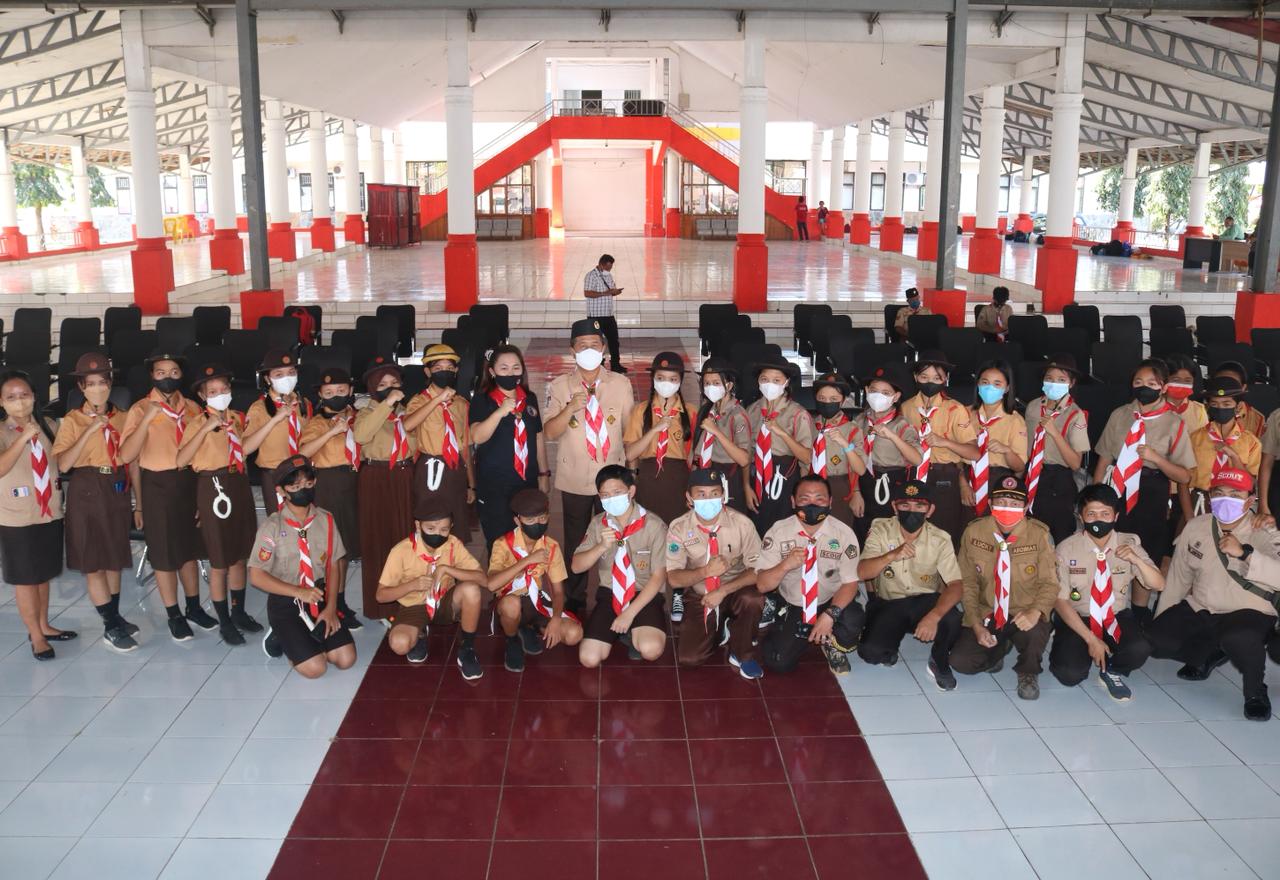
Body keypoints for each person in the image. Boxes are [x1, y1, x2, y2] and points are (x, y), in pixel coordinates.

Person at [1146, 467, 1280, 720]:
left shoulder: (1264, 531)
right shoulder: (1196, 527)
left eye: (1235, 495)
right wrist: (1161, 618)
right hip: (1204, 606)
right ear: (1209, 497)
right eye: (1219, 494)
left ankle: (1255, 693)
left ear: (1250, 500)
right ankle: (1210, 652)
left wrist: (1245, 554)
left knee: (1239, 637)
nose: (1226, 500)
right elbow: (1178, 578)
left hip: (1248, 611)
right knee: (1157, 640)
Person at [120, 353, 213, 641]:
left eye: (174, 372)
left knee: (188, 551)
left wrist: (202, 496)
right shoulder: (139, 409)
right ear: (152, 376)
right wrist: (139, 505)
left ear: (181, 375)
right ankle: (173, 614)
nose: (167, 377)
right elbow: (127, 456)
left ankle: (194, 607)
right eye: (160, 372)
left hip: (189, 482)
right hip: (157, 485)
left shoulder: (193, 408)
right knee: (164, 555)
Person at [544, 318, 634, 609]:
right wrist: (570, 408)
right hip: (575, 477)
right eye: (582, 346)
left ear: (604, 348)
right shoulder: (560, 386)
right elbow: (550, 432)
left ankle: (614, 594)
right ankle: (574, 600)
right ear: (572, 350)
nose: (589, 351)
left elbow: (630, 432)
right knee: (576, 540)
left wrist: (631, 475)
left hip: (613, 480)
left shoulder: (620, 384)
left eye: (595, 345)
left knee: (617, 537)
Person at [52, 354, 138, 653]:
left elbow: (132, 460)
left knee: (114, 558)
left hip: (116, 487)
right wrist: (89, 429)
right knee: (94, 563)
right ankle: (110, 625)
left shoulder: (123, 417)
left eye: (103, 382)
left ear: (111, 384)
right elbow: (63, 464)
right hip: (87, 487)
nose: (98, 389)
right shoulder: (72, 420)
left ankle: (115, 616)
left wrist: (139, 503)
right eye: (91, 384)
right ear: (81, 387)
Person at [1051, 484, 1163, 702]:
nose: (1098, 519)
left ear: (1116, 516)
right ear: (1081, 517)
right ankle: (1089, 649)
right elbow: (1060, 601)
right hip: (1079, 617)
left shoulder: (1129, 544)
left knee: (1139, 649)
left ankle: (1112, 669)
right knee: (1068, 674)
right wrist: (1091, 639)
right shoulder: (1066, 549)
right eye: (1091, 514)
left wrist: (1136, 560)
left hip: (1114, 616)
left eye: (1105, 513)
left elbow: (1158, 584)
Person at [176, 364, 262, 646]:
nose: (220, 394)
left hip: (238, 483)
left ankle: (239, 612)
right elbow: (181, 460)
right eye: (212, 391)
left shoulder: (235, 418)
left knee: (239, 555)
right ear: (203, 396)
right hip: (213, 487)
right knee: (220, 560)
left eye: (224, 389)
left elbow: (243, 450)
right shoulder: (196, 423)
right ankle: (224, 620)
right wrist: (205, 429)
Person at [951, 476, 1058, 700]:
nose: (1007, 508)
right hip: (988, 610)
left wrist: (1035, 612)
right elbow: (968, 583)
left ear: (1026, 507)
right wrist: (976, 624)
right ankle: (999, 649)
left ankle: (1028, 671)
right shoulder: (974, 532)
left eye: (1015, 503)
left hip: (1024, 609)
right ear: (990, 504)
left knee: (1035, 633)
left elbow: (1050, 583)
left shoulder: (1040, 535)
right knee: (961, 662)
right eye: (1001, 502)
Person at [249, 455, 357, 677]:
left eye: (308, 484)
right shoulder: (272, 527)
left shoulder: (326, 520)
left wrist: (331, 608)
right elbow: (257, 576)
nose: (303, 490)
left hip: (318, 598)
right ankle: (279, 635)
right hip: (286, 602)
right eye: (295, 487)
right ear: (281, 491)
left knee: (346, 659)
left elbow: (334, 565)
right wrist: (299, 592)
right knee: (316, 669)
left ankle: (305, 638)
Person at [857, 480, 964, 690]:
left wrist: (934, 616)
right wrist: (891, 555)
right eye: (905, 505)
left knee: (953, 620)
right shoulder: (880, 530)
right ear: (894, 507)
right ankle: (891, 640)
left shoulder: (940, 539)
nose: (911, 511)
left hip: (925, 602)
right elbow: (862, 572)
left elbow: (956, 585)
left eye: (919, 506)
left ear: (930, 510)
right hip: (890, 602)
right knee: (871, 653)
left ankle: (938, 660)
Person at [1093, 359, 1195, 578]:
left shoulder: (1174, 423)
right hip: (1117, 488)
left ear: (1164, 387)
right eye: (1138, 382)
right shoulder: (1119, 415)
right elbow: (1104, 459)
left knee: (1147, 555)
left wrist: (1156, 458)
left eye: (1152, 383)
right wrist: (1095, 497)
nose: (1144, 387)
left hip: (1151, 491)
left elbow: (1184, 476)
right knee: (1112, 551)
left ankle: (1142, 599)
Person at [756, 475, 864, 674]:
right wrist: (785, 565)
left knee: (852, 619)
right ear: (793, 502)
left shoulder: (844, 534)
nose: (812, 504)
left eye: (819, 499)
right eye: (804, 499)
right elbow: (762, 585)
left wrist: (830, 616)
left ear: (830, 502)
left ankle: (831, 642)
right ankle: (791, 626)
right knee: (779, 662)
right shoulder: (779, 531)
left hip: (830, 599)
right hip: (795, 603)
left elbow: (850, 583)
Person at [667, 468, 764, 677]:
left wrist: (723, 591)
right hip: (701, 595)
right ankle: (722, 629)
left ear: (723, 495)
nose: (708, 500)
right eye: (701, 494)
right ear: (689, 498)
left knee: (753, 599)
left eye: (714, 493)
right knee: (689, 659)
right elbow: (673, 578)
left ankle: (743, 654)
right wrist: (705, 571)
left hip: (735, 590)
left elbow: (758, 570)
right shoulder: (679, 528)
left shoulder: (742, 524)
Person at [0, 371, 70, 660]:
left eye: (24, 395)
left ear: (34, 397)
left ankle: (44, 625)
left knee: (43, 575)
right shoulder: (2, 431)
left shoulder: (49, 426)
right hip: (17, 517)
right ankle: (36, 637)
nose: (19, 401)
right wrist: (22, 438)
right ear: (1, 401)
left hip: (48, 512)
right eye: (11, 397)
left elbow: (62, 463)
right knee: (26, 579)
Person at [573, 465, 669, 668]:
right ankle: (627, 631)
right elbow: (576, 567)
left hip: (644, 594)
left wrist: (629, 613)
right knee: (589, 659)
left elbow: (659, 577)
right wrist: (600, 546)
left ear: (631, 491)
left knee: (651, 650)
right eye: (605, 495)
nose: (611, 499)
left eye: (617, 492)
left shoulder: (654, 525)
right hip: (611, 593)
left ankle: (634, 630)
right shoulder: (598, 524)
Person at [376, 507, 485, 679]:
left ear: (451, 527)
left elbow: (482, 578)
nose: (437, 534)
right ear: (418, 526)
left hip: (445, 600)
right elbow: (381, 596)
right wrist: (412, 585)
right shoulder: (401, 551)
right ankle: (420, 633)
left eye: (444, 529)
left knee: (472, 590)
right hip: (414, 606)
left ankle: (467, 649)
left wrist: (446, 569)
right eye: (431, 528)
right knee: (399, 644)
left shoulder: (452, 544)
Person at [486, 487, 583, 672]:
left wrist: (556, 619)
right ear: (518, 521)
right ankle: (512, 640)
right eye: (530, 520)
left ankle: (528, 627)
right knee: (511, 605)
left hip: (537, 601)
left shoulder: (551, 546)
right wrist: (527, 561)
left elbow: (558, 591)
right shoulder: (503, 544)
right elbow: (491, 584)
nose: (537, 524)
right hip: (509, 601)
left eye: (542, 518)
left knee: (574, 634)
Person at [353, 356, 417, 621]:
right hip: (376, 476)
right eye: (382, 384)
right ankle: (380, 606)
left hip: (405, 475)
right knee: (377, 539)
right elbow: (361, 436)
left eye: (394, 383)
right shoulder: (366, 411)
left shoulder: (408, 411)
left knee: (404, 537)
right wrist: (387, 403)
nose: (390, 388)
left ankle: (407, 602)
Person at [299, 367, 363, 628]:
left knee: (345, 547)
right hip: (330, 483)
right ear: (321, 395)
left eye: (341, 390)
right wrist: (331, 432)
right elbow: (303, 453)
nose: (335, 395)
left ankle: (340, 601)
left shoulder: (357, 417)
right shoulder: (318, 422)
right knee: (331, 549)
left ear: (350, 391)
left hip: (355, 481)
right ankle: (326, 603)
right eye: (329, 392)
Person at [469, 344, 549, 546]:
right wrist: (499, 412)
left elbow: (538, 437)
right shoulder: (482, 400)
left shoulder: (529, 399)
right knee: (499, 543)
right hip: (495, 485)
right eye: (503, 368)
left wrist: (544, 474)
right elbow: (477, 436)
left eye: (516, 367)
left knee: (528, 540)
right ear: (492, 371)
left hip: (526, 482)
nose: (511, 373)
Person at [902, 350, 980, 545]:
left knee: (943, 533)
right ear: (915, 377)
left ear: (945, 379)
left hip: (943, 477)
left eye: (937, 378)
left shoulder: (955, 409)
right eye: (924, 377)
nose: (930, 382)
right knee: (913, 532)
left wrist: (945, 442)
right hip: (912, 474)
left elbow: (974, 453)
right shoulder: (906, 408)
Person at [404, 343, 474, 543]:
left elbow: (465, 446)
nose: (445, 372)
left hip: (455, 468)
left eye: (450, 368)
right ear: (428, 372)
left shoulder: (461, 403)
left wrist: (471, 484)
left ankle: (454, 559)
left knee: (456, 519)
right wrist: (437, 400)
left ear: (456, 371)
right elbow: (408, 425)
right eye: (438, 368)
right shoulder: (418, 401)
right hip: (430, 468)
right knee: (431, 519)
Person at [1022, 354, 1090, 543]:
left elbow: (1075, 463)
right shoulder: (1033, 406)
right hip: (1032, 475)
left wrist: (1054, 433)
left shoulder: (1076, 414)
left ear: (1071, 383)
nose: (1054, 383)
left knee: (1059, 535)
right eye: (1049, 378)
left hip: (1058, 480)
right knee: (1031, 533)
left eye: (1061, 380)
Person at [851, 364, 922, 543]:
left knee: (889, 535)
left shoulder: (902, 425)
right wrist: (855, 492)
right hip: (864, 481)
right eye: (874, 391)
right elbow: (851, 458)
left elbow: (916, 459)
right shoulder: (859, 421)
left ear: (896, 397)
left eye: (885, 393)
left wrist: (892, 436)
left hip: (893, 483)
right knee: (863, 532)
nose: (878, 396)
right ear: (866, 391)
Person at [745, 353, 814, 536]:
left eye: (776, 380)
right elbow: (746, 452)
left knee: (782, 530)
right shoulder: (751, 411)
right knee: (756, 528)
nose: (770, 384)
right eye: (764, 379)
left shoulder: (798, 414)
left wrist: (782, 433)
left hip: (784, 476)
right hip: (757, 476)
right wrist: (746, 486)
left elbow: (807, 457)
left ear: (786, 382)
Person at [624, 352, 692, 524]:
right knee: (649, 527)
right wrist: (655, 429)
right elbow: (630, 454)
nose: (666, 383)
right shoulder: (640, 410)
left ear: (680, 381)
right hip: (648, 478)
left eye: (673, 379)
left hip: (678, 479)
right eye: (660, 378)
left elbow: (694, 454)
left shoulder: (690, 412)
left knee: (676, 527)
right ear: (653, 378)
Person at [244, 350, 312, 513]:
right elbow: (245, 448)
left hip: (302, 474)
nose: (286, 378)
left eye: (291, 372)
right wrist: (274, 420)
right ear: (268, 379)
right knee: (280, 523)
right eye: (279, 374)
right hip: (275, 475)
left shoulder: (304, 404)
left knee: (304, 521)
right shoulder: (259, 408)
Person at [1187, 375, 1261, 518]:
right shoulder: (1195, 438)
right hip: (1201, 503)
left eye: (1227, 404)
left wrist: (1234, 456)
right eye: (1215, 404)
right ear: (1208, 406)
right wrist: (1188, 514)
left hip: (1235, 504)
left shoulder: (1251, 443)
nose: (1220, 408)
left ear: (1238, 407)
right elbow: (1184, 480)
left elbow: (1251, 483)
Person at [688, 357, 751, 513]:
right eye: (707, 383)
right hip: (706, 474)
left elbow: (744, 459)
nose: (710, 387)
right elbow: (697, 451)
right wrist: (692, 484)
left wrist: (715, 431)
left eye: (716, 383)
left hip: (728, 477)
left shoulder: (737, 415)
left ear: (729, 385)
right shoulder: (707, 410)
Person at [969, 360, 1027, 517]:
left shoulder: (1014, 420)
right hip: (969, 479)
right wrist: (963, 485)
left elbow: (1019, 467)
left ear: (1007, 388)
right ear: (978, 384)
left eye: (997, 384)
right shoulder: (965, 414)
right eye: (985, 382)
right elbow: (956, 457)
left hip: (997, 480)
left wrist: (1007, 450)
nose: (990, 388)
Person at [810, 372, 866, 529]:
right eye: (822, 398)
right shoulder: (809, 425)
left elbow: (860, 469)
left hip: (840, 487)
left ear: (843, 400)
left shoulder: (852, 430)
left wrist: (844, 443)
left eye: (833, 399)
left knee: (839, 533)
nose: (827, 403)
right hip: (811, 486)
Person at [583, 253, 625, 373]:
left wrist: (615, 292)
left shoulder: (608, 276)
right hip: (595, 316)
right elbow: (587, 293)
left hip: (608, 315)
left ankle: (615, 364)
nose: (609, 270)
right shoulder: (591, 276)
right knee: (597, 342)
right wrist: (604, 293)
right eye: (608, 267)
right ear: (601, 264)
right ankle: (598, 365)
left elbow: (611, 291)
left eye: (611, 267)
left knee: (614, 341)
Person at [1212, 361, 1265, 439]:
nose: (1225, 388)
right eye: (1220, 383)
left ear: (1243, 388)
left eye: (1232, 384)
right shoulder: (1201, 413)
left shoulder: (1257, 419)